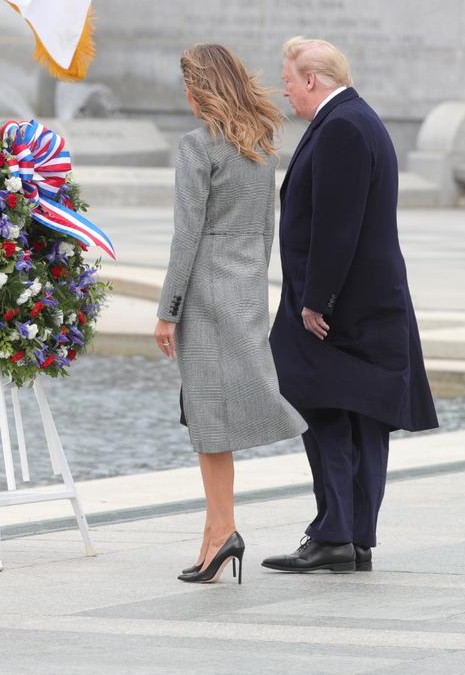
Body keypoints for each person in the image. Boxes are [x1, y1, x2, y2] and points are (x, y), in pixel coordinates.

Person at [262, 37, 438, 574]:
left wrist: (317, 301)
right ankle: (354, 536)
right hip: (367, 306)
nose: (286, 90)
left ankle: (336, 532)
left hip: (338, 312)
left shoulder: (340, 126)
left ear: (311, 79)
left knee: (323, 407)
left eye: (289, 79)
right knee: (361, 418)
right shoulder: (361, 118)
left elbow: (338, 225)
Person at [155, 43, 307, 585]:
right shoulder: (262, 147)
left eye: (188, 86)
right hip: (243, 292)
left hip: (203, 296)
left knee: (209, 419)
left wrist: (168, 311)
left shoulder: (197, 147)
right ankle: (216, 531)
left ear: (202, 87)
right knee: (210, 420)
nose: (187, 97)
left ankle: (222, 534)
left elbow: (185, 235)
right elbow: (267, 232)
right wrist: (250, 294)